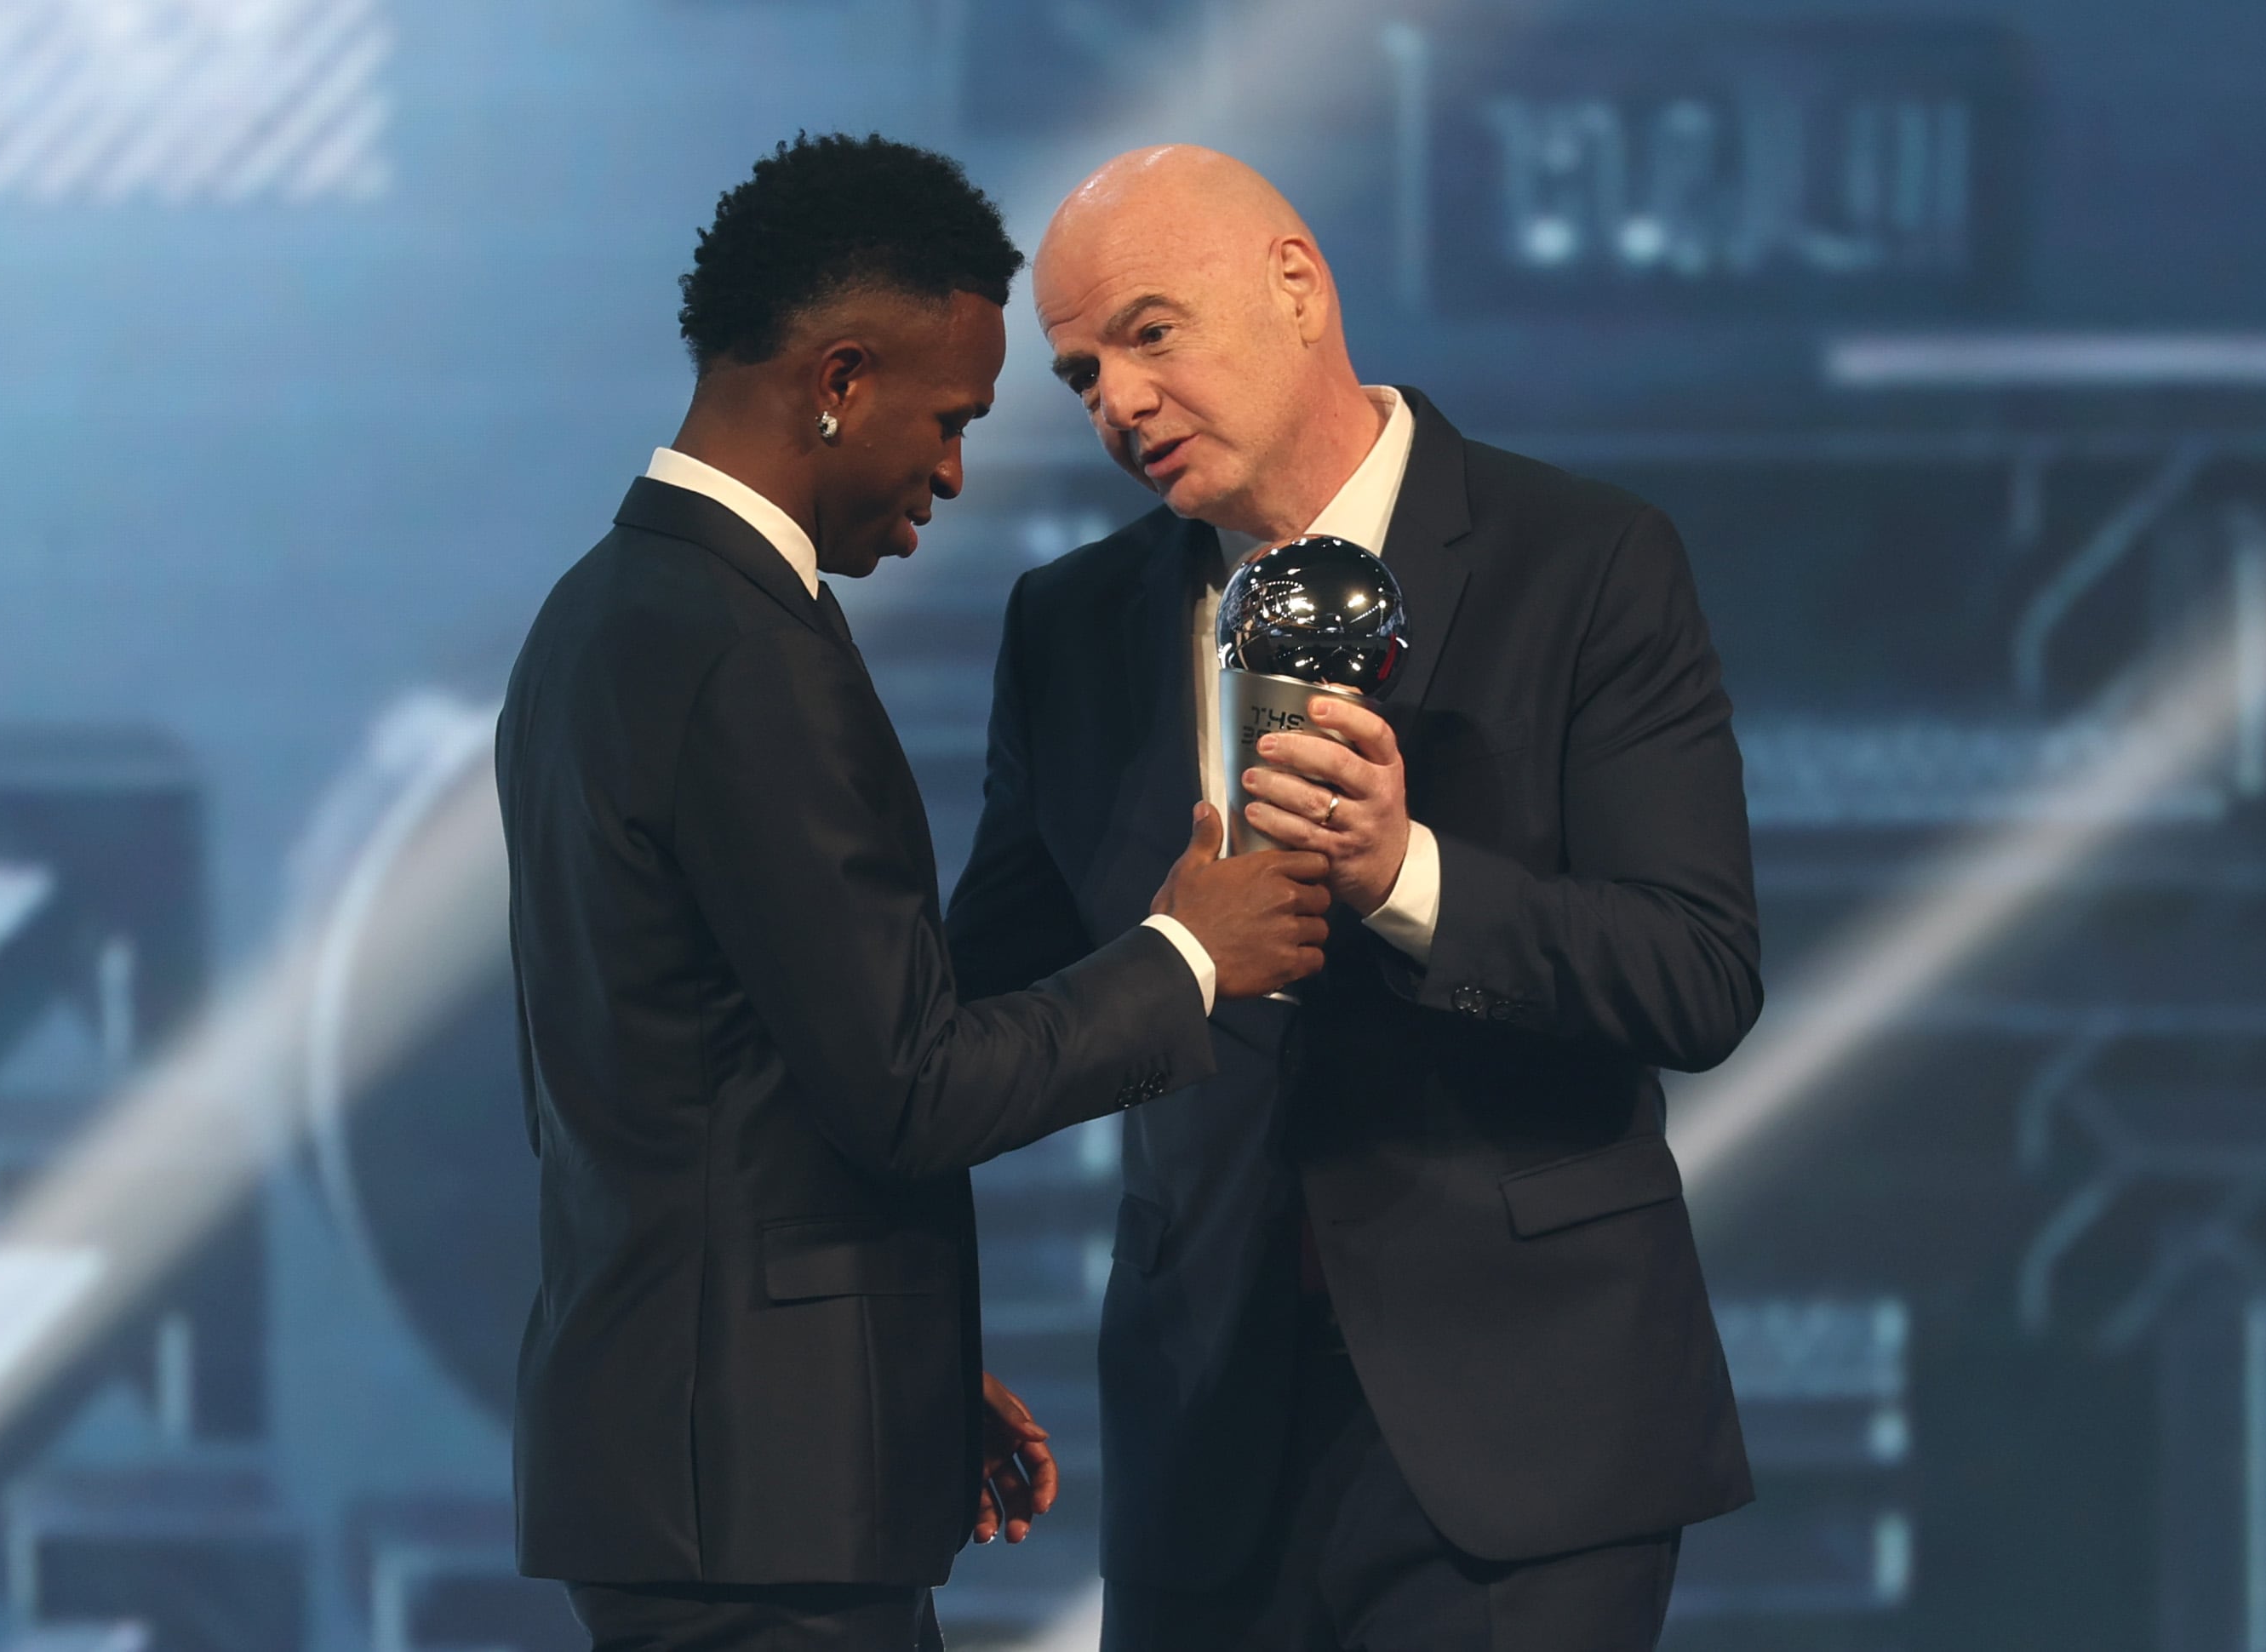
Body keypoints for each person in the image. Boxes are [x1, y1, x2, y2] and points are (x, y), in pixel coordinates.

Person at [494, 134, 1331, 1652]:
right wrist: (1186, 956)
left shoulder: (605, 611)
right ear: (838, 378)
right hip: (748, 1506)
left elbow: (715, 1080)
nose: (951, 470)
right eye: (948, 419)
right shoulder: (738, 650)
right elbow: (908, 1083)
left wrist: (903, 1369)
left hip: (720, 1466)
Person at [946, 146, 1764, 1652]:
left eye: (1146, 332)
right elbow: (972, 1017)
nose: (1114, 401)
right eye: (1076, 376)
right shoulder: (1068, 627)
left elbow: (1697, 972)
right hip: (1207, 1440)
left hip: (1523, 1442)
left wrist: (1408, 878)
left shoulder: (1583, 562)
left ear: (1296, 287)